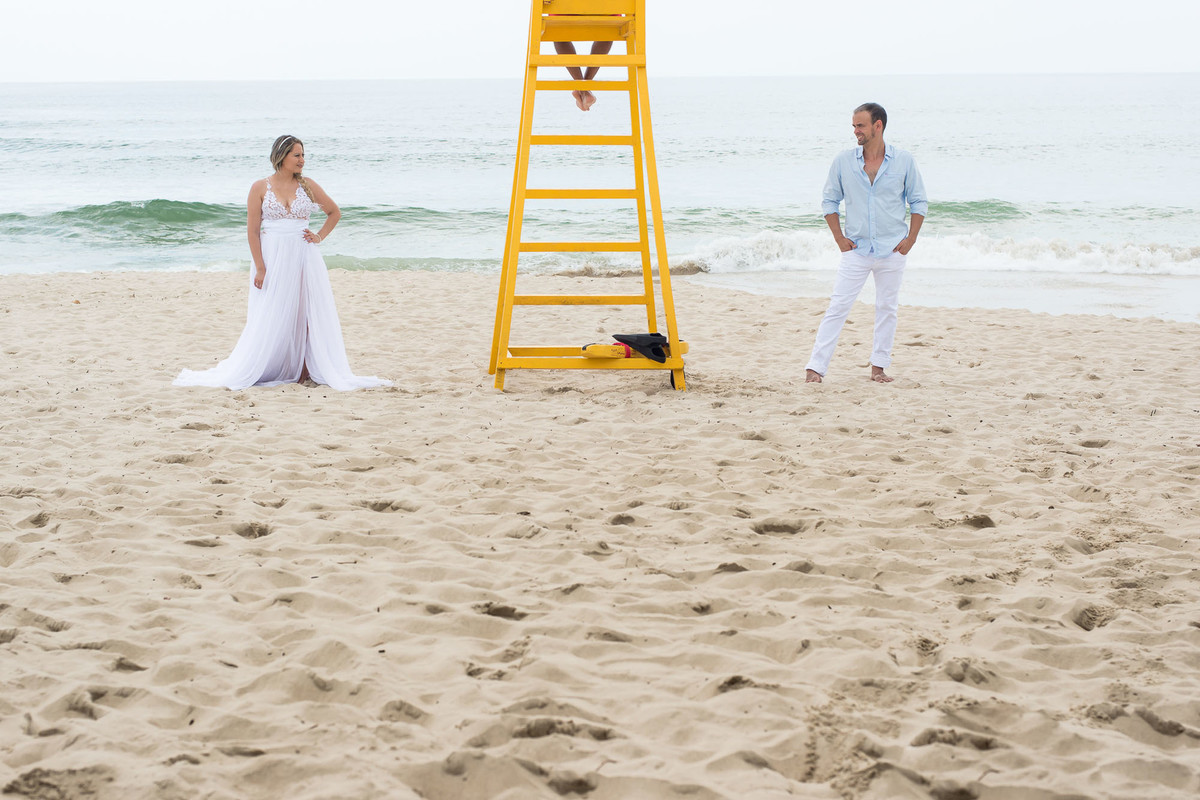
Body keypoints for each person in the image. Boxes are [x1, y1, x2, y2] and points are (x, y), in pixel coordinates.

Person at [174, 135, 391, 392]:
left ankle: (305, 367)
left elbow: (334, 212)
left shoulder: (308, 186)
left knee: (306, 309)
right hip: (273, 256)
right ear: (282, 156)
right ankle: (275, 364)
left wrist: (319, 236)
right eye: (297, 155)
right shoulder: (259, 187)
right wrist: (260, 267)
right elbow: (253, 231)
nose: (302, 160)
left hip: (304, 255)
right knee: (273, 310)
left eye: (303, 155)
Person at [806, 103, 927, 384]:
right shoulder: (843, 162)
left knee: (887, 309)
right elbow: (829, 201)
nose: (855, 131)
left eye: (860, 125)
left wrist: (911, 239)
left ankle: (879, 368)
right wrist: (838, 237)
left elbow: (919, 201)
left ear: (878, 126)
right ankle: (815, 368)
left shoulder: (904, 161)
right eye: (853, 126)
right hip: (856, 250)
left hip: (892, 249)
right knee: (838, 306)